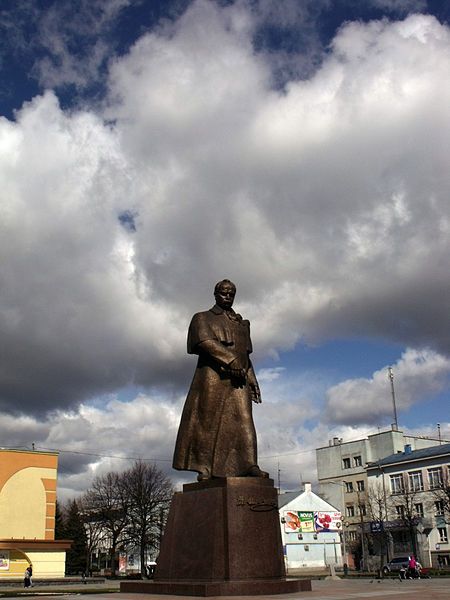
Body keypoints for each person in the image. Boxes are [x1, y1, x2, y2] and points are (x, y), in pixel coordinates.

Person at [173, 279, 268, 481]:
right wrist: (231, 360)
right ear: (215, 294)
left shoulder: (242, 324)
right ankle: (203, 466)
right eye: (224, 293)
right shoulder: (202, 318)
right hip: (212, 377)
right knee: (207, 420)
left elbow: (246, 355)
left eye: (231, 293)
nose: (227, 296)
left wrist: (252, 378)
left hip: (239, 378)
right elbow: (204, 342)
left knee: (245, 419)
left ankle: (249, 463)